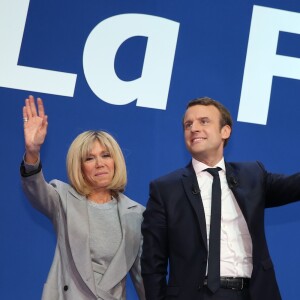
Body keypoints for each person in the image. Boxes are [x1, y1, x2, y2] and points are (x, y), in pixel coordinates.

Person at [141, 96, 300, 300]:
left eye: (204, 121)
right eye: (188, 124)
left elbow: (295, 186)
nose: (194, 128)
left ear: (225, 131)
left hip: (254, 293)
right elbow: (152, 263)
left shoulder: (253, 175)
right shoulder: (165, 189)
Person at [20, 95, 146, 300]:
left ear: (115, 161)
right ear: (79, 167)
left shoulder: (137, 214)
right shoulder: (62, 198)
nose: (100, 163)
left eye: (106, 155)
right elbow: (34, 189)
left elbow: (142, 277)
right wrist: (32, 152)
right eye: (89, 158)